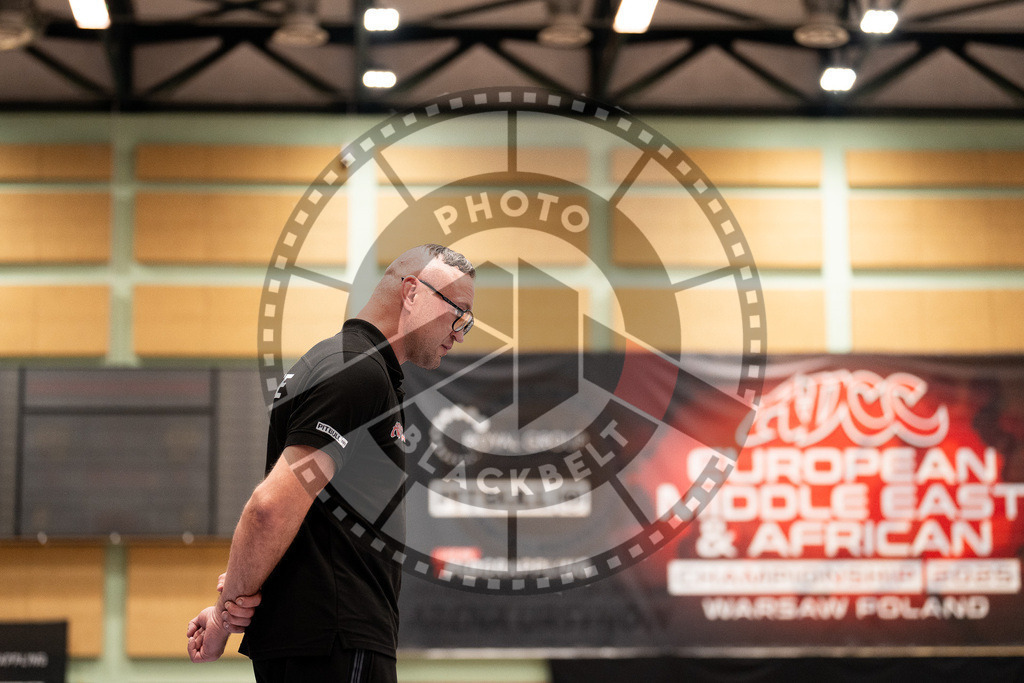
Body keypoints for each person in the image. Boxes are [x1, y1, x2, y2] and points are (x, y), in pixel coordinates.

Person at [187, 244, 476, 682]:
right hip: (335, 643)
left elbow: (302, 520)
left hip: (320, 642)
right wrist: (227, 618)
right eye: (459, 312)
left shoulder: (340, 363)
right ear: (413, 292)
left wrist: (228, 603)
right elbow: (270, 508)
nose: (460, 331)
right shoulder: (356, 371)